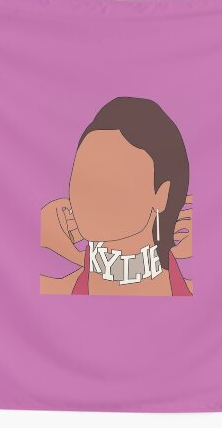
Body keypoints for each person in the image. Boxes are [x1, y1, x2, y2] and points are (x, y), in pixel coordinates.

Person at [40, 97, 192, 296]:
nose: (93, 193)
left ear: (161, 195)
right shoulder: (51, 291)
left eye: (116, 177)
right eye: (85, 174)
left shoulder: (204, 300)